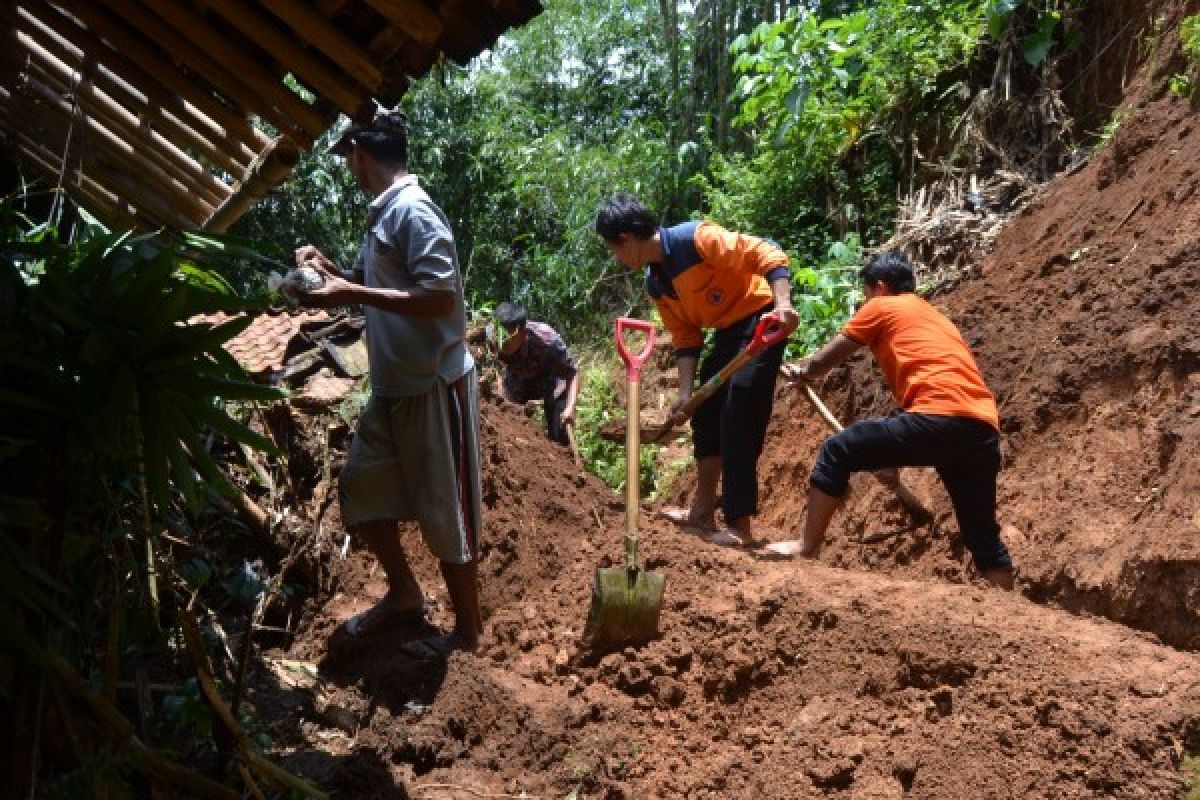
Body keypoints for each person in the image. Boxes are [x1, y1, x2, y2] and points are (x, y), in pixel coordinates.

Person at [292, 109, 485, 654]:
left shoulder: (413, 211)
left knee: (447, 512)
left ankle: (468, 635)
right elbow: (376, 282)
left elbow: (440, 297)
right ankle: (404, 594)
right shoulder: (383, 213)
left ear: (358, 152)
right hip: (393, 389)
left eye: (347, 157)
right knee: (362, 488)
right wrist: (332, 274)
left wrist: (348, 296)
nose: (348, 168)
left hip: (433, 385)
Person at [762, 250, 1015, 590]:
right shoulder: (935, 317)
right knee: (981, 533)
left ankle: (807, 547)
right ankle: (1007, 604)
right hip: (981, 429)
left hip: (938, 417)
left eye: (866, 293)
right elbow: (935, 387)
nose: (865, 301)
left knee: (838, 451)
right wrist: (892, 461)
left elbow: (834, 353)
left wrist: (806, 370)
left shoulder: (882, 306)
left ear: (879, 287)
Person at [594, 194, 799, 546]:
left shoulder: (697, 239)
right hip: (726, 333)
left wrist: (783, 305)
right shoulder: (656, 283)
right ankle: (702, 511)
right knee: (705, 415)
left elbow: (765, 251)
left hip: (762, 319)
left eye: (615, 249)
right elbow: (686, 336)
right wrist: (686, 393)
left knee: (740, 410)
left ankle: (740, 524)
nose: (617, 258)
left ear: (627, 239)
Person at [492, 301, 581, 444]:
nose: (502, 345)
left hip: (550, 383)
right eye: (499, 338)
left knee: (560, 434)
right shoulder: (492, 341)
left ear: (523, 331)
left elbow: (572, 373)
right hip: (517, 385)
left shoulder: (546, 338)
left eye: (507, 340)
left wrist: (570, 408)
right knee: (512, 434)